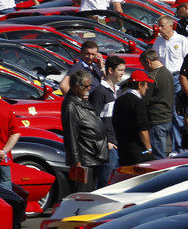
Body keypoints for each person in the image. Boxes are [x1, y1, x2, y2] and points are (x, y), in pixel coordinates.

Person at [60, 69, 108, 193]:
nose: (88, 89)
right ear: (76, 87)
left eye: (90, 86)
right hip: (84, 157)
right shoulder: (71, 105)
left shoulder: (82, 100)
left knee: (91, 190)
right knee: (83, 192)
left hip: (92, 154)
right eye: (86, 86)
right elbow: (71, 134)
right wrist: (76, 161)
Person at [88, 55, 124, 185]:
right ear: (110, 70)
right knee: (105, 181)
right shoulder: (99, 92)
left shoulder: (118, 91)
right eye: (120, 70)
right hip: (107, 145)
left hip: (117, 142)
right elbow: (93, 120)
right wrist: (105, 142)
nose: (122, 73)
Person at [112, 70, 153, 166]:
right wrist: (149, 148)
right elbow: (143, 130)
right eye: (146, 84)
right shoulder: (138, 103)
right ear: (140, 85)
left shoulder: (119, 100)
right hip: (137, 149)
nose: (147, 87)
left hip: (122, 148)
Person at [139, 49, 174, 159]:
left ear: (148, 61)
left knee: (158, 156)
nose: (144, 68)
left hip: (156, 119)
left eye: (144, 65)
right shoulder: (167, 72)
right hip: (167, 118)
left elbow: (145, 99)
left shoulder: (152, 77)